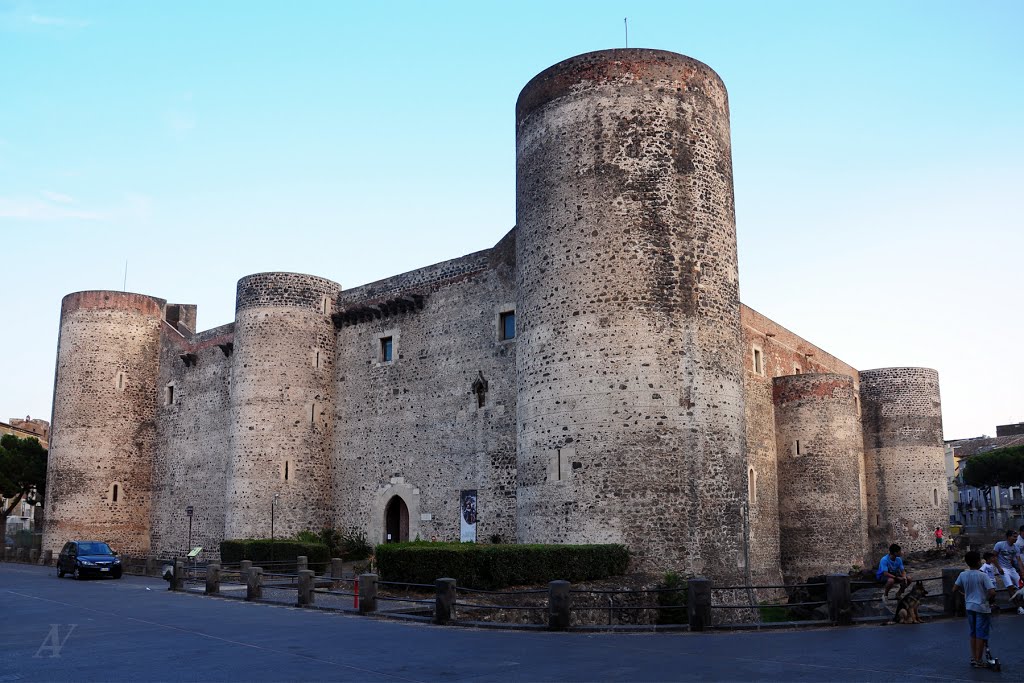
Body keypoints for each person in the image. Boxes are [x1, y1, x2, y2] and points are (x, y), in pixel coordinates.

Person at [954, 550, 997, 668]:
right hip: (982, 607)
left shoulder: (963, 574)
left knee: (973, 633)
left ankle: (974, 658)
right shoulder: (983, 575)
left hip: (969, 606)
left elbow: (954, 589)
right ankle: (979, 660)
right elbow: (992, 592)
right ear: (978, 561)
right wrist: (987, 599)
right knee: (981, 634)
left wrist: (964, 594)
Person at [992, 529, 1024, 614]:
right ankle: (1019, 607)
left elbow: (1019, 560)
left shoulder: (1016, 547)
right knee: (1009, 586)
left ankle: (1019, 602)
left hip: (1011, 568)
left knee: (1021, 586)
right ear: (1008, 537)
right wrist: (998, 568)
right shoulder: (1000, 545)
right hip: (1003, 568)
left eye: (1016, 537)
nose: (1015, 539)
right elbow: (993, 556)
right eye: (1014, 537)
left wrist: (1022, 571)